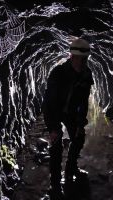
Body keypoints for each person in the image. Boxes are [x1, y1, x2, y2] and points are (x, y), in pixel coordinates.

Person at [43, 38, 94, 200]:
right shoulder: (58, 73)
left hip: (72, 113)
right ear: (71, 56)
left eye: (85, 59)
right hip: (56, 111)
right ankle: (55, 183)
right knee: (56, 146)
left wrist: (80, 122)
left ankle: (71, 168)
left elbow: (83, 101)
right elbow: (48, 103)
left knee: (79, 138)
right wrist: (52, 128)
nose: (83, 62)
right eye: (80, 58)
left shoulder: (86, 74)